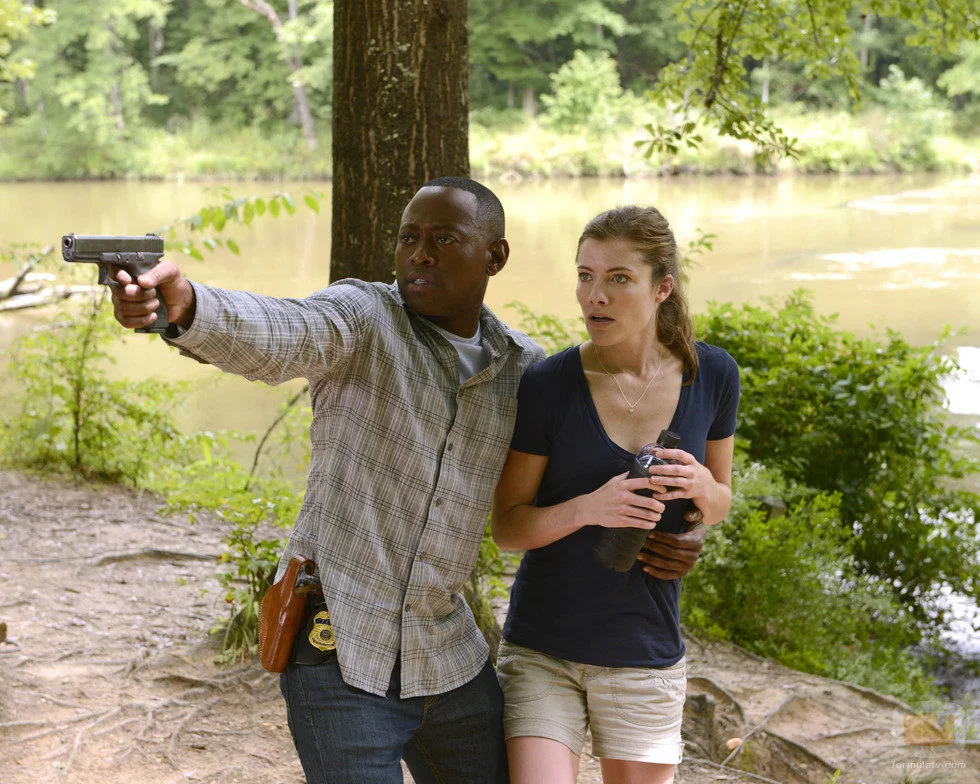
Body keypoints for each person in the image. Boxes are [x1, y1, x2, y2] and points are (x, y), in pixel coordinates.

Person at [109, 179, 708, 783]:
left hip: (446, 655)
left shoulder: (523, 369)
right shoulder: (363, 318)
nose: (420, 255)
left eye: (444, 240)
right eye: (408, 239)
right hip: (338, 645)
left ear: (494, 257)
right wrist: (186, 307)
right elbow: (280, 331)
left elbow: (565, 496)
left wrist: (679, 529)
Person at [491, 205, 740, 784]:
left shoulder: (714, 374)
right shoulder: (549, 384)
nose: (594, 296)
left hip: (644, 649)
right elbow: (507, 528)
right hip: (543, 650)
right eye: (585, 276)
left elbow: (720, 500)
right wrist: (590, 507)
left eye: (619, 278)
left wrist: (702, 492)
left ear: (662, 288)